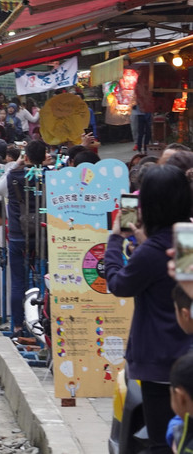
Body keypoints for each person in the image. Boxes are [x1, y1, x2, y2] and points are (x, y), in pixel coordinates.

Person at [104, 164, 193, 454]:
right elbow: (178, 284)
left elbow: (119, 284)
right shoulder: (185, 241)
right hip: (187, 354)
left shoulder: (152, 253)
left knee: (163, 442)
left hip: (159, 361)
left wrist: (115, 240)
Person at [4, 139, 47, 336]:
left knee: (18, 281)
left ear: (26, 156)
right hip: (43, 234)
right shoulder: (48, 176)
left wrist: (19, 163)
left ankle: (18, 326)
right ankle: (41, 324)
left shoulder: (13, 175)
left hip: (17, 235)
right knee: (43, 277)